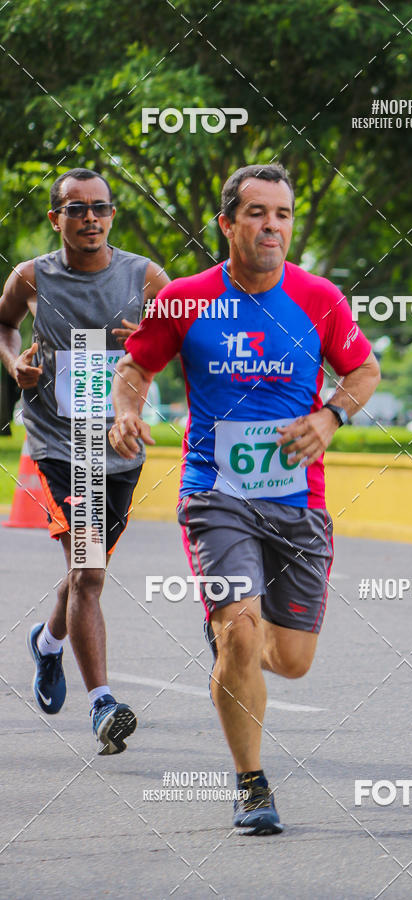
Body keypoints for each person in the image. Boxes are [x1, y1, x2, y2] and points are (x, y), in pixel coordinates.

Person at [109, 163, 380, 831]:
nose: (272, 226)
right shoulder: (184, 298)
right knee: (241, 628)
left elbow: (364, 369)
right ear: (227, 224)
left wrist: (330, 417)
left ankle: (231, 643)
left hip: (297, 502)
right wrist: (123, 412)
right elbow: (136, 366)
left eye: (283, 214)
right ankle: (252, 785)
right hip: (215, 494)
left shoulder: (319, 298)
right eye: (257, 213)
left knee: (290, 661)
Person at [0, 167, 169, 754]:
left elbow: (179, 340)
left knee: (82, 572)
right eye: (76, 209)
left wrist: (149, 336)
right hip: (57, 447)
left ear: (112, 215)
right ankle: (103, 705)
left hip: (118, 448)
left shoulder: (146, 277)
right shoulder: (31, 276)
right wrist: (13, 362)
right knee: (91, 573)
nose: (89, 218)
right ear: (57, 218)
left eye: (100, 207)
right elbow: (4, 325)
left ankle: (47, 643)